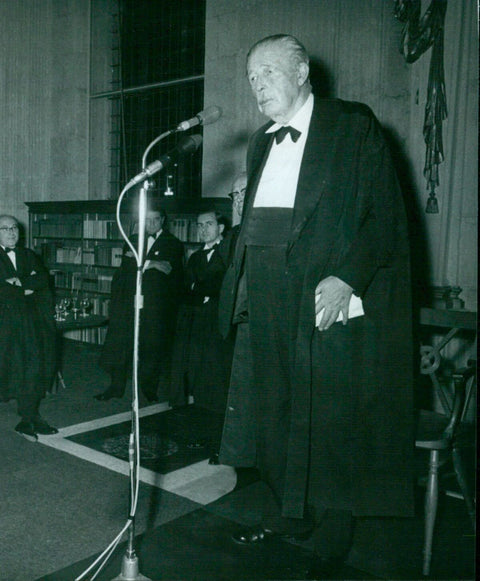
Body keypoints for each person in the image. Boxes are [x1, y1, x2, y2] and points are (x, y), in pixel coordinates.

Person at [217, 35, 414, 577]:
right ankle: (290, 515)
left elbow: (384, 214)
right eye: (252, 77)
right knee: (274, 410)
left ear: (302, 70)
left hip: (320, 290)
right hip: (266, 294)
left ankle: (333, 533)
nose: (258, 86)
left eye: (268, 73)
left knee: (328, 415)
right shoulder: (260, 142)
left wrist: (348, 277)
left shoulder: (352, 124)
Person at [0, 215, 58, 441]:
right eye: (5, 228)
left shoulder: (29, 255)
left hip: (33, 321)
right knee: (17, 368)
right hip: (7, 324)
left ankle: (31, 415)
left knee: (36, 366)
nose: (11, 232)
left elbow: (42, 280)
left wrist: (17, 283)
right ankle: (26, 417)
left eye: (14, 228)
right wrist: (25, 287)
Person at [95, 203, 184, 403]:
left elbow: (168, 270)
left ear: (162, 221)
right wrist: (152, 263)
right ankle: (116, 387)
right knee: (121, 343)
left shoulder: (174, 243)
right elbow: (126, 267)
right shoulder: (132, 239)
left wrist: (139, 262)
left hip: (155, 305)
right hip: (129, 301)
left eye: (155, 219)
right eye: (147, 219)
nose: (151, 223)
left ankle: (148, 388)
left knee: (151, 345)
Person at [168, 210, 235, 414]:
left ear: (220, 228)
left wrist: (199, 288)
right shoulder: (195, 256)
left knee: (218, 369)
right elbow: (183, 288)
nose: (203, 229)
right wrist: (201, 289)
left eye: (208, 224)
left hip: (220, 321)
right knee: (196, 366)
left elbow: (222, 286)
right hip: (196, 319)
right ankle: (200, 411)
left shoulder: (230, 252)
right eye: (199, 225)